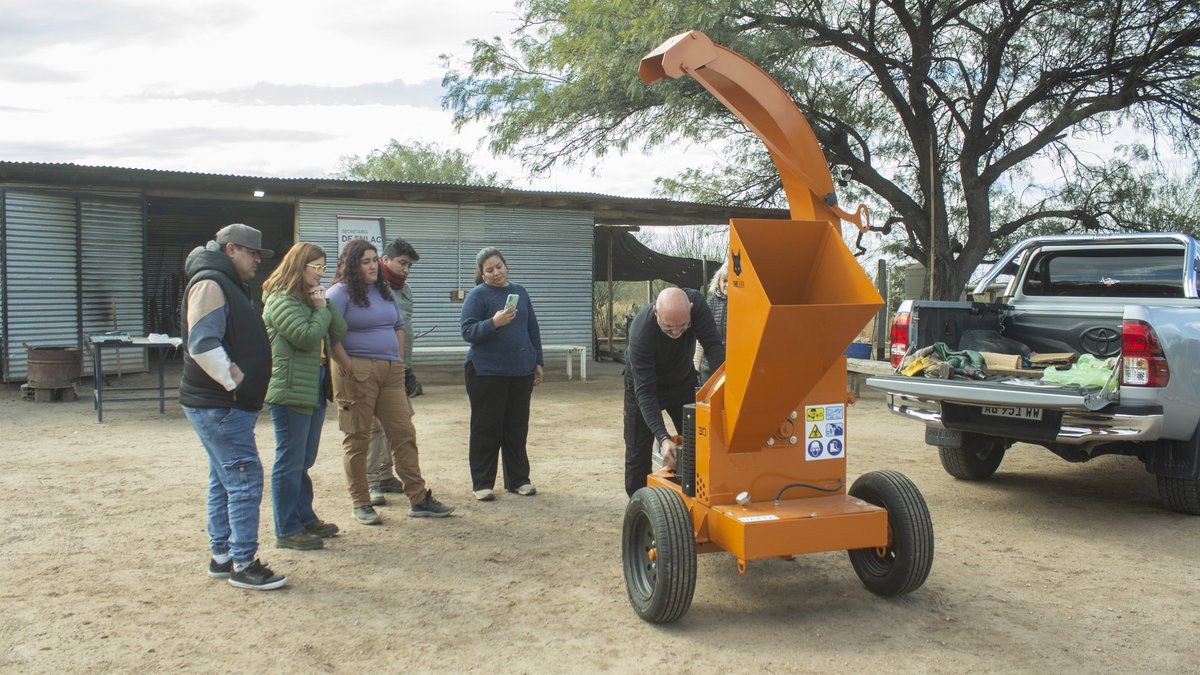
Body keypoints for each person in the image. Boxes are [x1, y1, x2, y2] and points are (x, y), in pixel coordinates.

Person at [180, 223, 286, 590]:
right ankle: (243, 563)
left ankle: (223, 557)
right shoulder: (211, 283)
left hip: (220, 404)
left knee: (223, 479)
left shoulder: (224, 282)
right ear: (230, 250)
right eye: (252, 252)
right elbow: (202, 344)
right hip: (221, 404)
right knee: (243, 479)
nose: (257, 260)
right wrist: (234, 382)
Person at [326, 238, 454, 525]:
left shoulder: (384, 291)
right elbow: (329, 335)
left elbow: (397, 325)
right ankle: (361, 502)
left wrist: (396, 362)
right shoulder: (339, 293)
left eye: (374, 260)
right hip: (355, 372)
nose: (373, 266)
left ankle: (418, 498)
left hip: (389, 373)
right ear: (352, 264)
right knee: (358, 438)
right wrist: (348, 366)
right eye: (366, 261)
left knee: (403, 433)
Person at [261, 242, 347, 551]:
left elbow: (339, 330)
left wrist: (324, 304)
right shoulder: (280, 300)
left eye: (325, 268)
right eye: (316, 268)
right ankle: (287, 529)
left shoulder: (310, 301)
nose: (320, 274)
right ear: (299, 267)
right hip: (289, 389)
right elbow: (307, 336)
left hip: (312, 384)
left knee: (304, 459)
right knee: (290, 460)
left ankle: (304, 517)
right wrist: (320, 309)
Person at [623, 286, 725, 498]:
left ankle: (693, 497)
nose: (677, 334)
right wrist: (663, 438)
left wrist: (722, 389)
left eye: (683, 327)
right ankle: (639, 504)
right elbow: (645, 394)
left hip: (681, 381)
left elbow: (714, 347)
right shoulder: (641, 332)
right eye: (669, 328)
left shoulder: (696, 305)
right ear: (656, 314)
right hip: (644, 386)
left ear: (690, 309)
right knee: (637, 452)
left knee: (697, 443)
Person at [460, 247, 544, 501]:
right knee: (487, 428)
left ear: (505, 265)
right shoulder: (478, 296)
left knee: (516, 428)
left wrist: (537, 360)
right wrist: (493, 323)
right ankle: (482, 483)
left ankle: (518, 479)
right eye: (489, 270)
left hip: (520, 371)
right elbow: (467, 331)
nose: (496, 273)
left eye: (498, 267)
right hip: (486, 373)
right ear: (482, 274)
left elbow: (532, 329)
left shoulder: (520, 292)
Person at [366, 238, 421, 507]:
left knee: (398, 423)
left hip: (398, 366)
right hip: (375, 365)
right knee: (374, 427)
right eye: (402, 263)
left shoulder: (404, 289)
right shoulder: (371, 286)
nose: (406, 269)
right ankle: (372, 482)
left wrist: (408, 368)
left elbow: (405, 331)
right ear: (385, 260)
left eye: (409, 265)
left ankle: (387, 475)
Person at [694, 261, 729, 383]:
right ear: (718, 281)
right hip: (708, 367)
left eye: (731, 281)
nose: (727, 285)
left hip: (732, 366)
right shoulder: (709, 303)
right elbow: (700, 338)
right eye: (725, 281)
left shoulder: (743, 305)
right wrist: (696, 365)